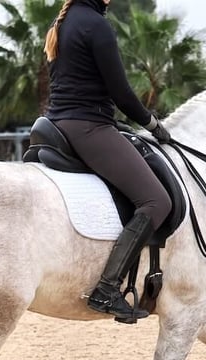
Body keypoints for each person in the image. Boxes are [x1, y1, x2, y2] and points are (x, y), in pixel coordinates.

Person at [44, 0, 172, 322]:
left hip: (60, 122)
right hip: (89, 127)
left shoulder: (64, 21)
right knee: (156, 201)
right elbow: (121, 93)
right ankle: (107, 287)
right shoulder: (95, 24)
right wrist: (153, 124)